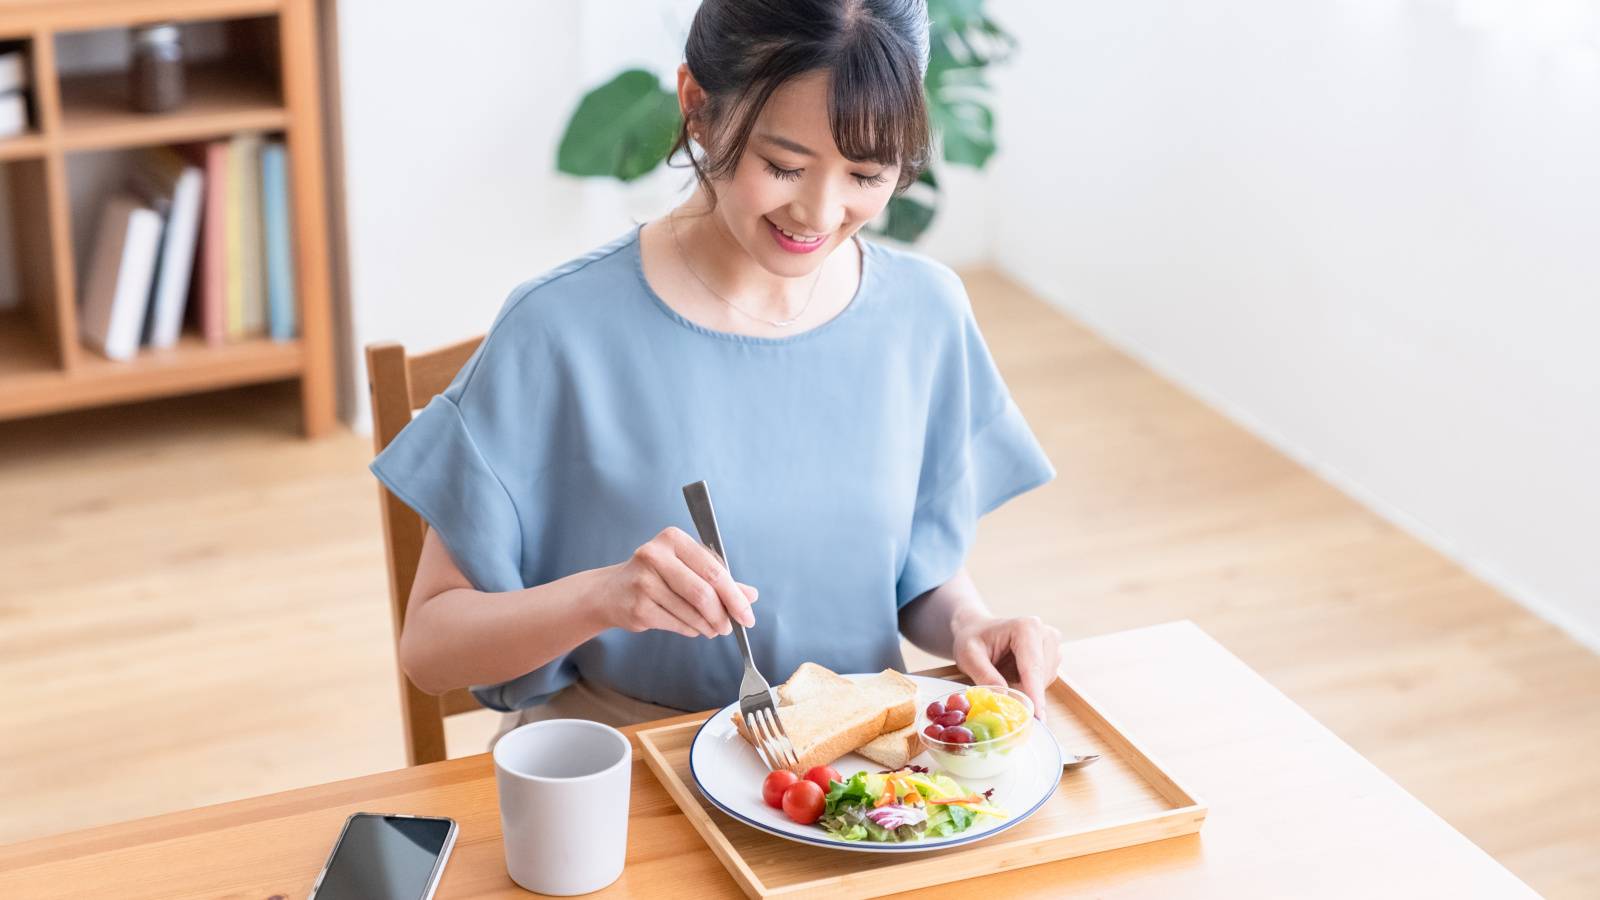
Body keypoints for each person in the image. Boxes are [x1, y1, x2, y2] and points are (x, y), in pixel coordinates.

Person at [369, 0, 1061, 746]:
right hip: (625, 770)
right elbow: (432, 649)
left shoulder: (925, 314)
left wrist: (970, 623)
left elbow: (916, 572)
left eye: (867, 173)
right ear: (698, 107)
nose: (820, 213)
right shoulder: (555, 331)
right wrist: (602, 598)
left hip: (859, 780)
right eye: (783, 166)